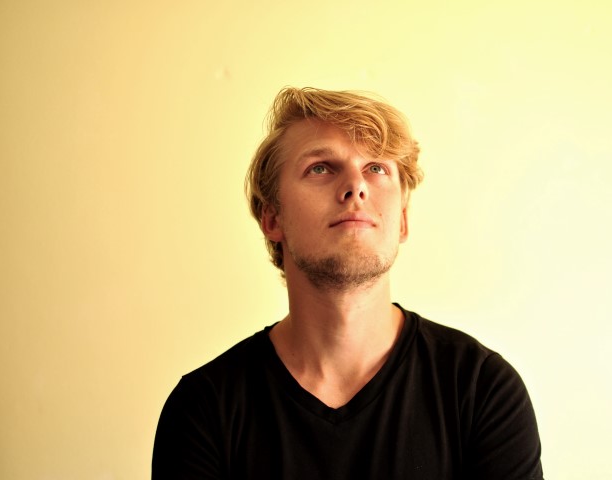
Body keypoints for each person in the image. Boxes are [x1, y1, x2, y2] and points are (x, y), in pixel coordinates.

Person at [152, 87, 543, 479]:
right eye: (320, 168)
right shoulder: (204, 409)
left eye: (376, 168)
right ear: (272, 219)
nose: (356, 186)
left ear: (402, 220)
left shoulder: (480, 390)